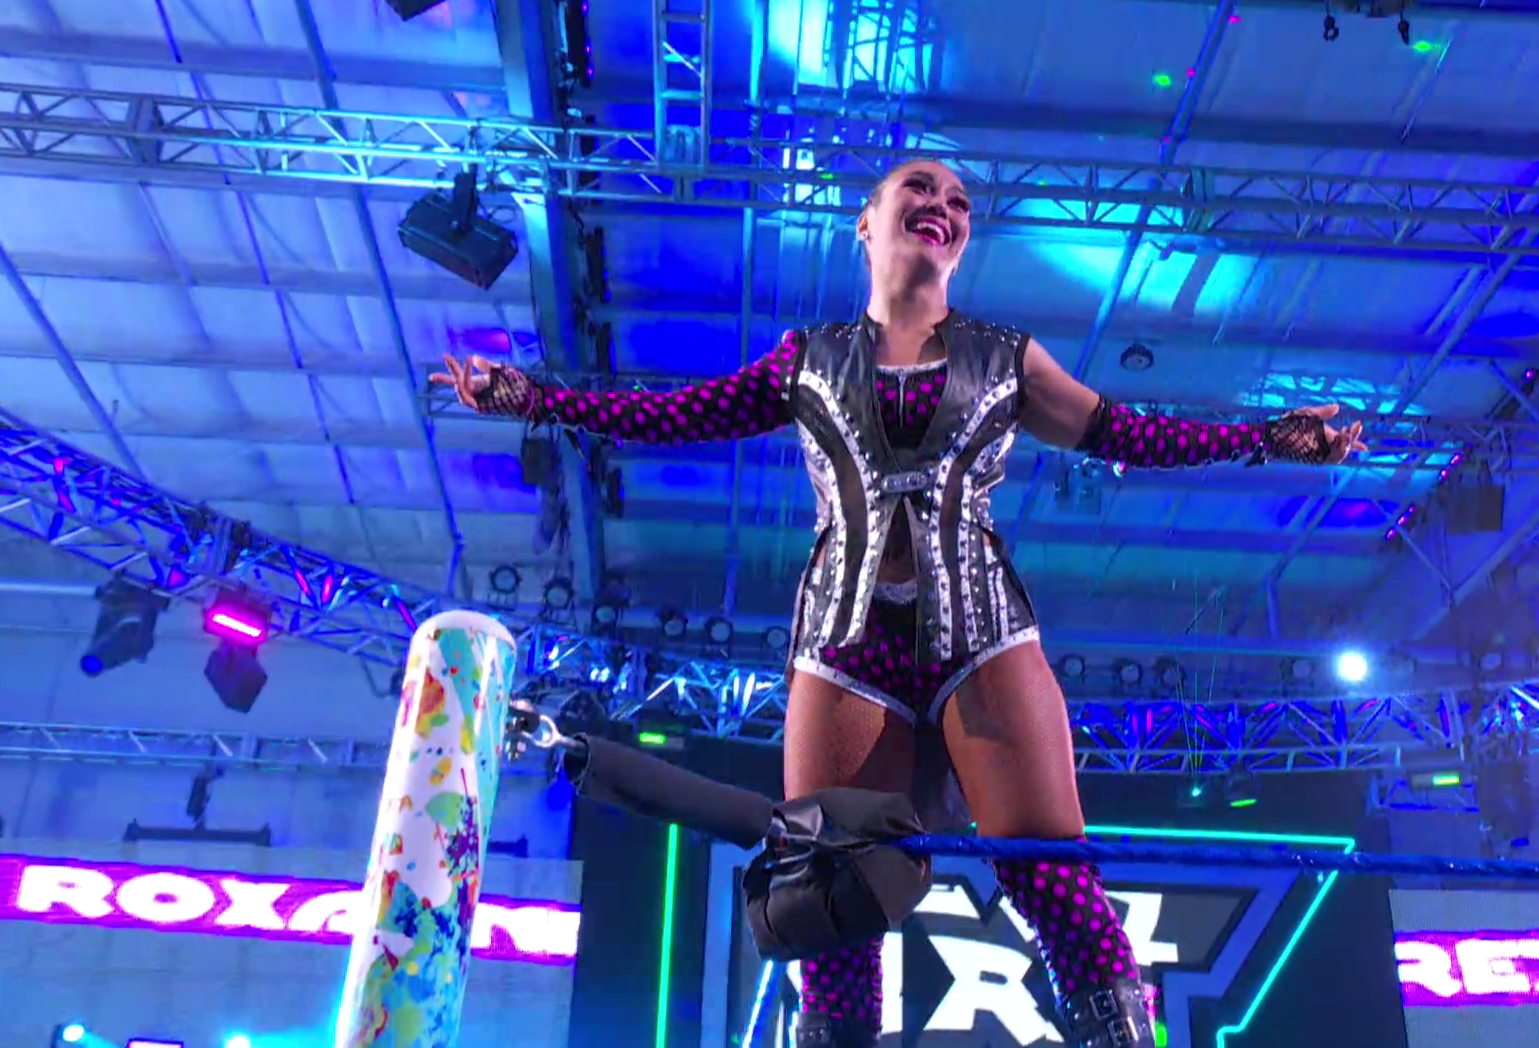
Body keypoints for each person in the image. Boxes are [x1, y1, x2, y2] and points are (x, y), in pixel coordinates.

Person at [432, 160, 1365, 1048]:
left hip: (983, 634)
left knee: (1056, 883)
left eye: (959, 203)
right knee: (831, 898)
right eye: (921, 189)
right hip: (845, 647)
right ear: (867, 223)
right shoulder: (808, 359)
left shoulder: (1007, 357)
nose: (944, 206)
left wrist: (1268, 437)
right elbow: (678, 413)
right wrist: (534, 399)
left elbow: (1126, 431)